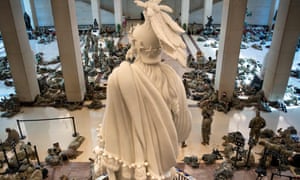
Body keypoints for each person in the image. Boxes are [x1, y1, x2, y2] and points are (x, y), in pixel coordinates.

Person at [93, 1, 192, 179]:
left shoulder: (119, 76)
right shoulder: (172, 78)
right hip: (163, 164)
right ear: (161, 47)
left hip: (130, 166)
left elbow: (112, 123)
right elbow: (183, 128)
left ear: (136, 45)